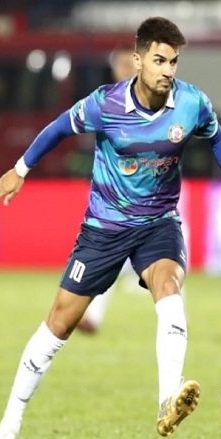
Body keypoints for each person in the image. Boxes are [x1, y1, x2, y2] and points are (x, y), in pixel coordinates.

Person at [0, 16, 221, 439]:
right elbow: (60, 127)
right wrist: (20, 170)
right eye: (159, 60)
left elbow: (217, 138)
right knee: (59, 323)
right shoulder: (105, 104)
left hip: (158, 224)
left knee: (169, 288)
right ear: (138, 61)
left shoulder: (191, 103)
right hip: (104, 229)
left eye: (173, 62)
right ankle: (8, 427)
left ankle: (167, 400)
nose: (167, 70)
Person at [76, 45, 142, 335]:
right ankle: (93, 316)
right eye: (120, 65)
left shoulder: (155, 100)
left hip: (150, 195)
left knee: (169, 255)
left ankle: (177, 316)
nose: (124, 70)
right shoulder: (106, 102)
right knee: (112, 259)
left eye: (129, 64)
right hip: (117, 199)